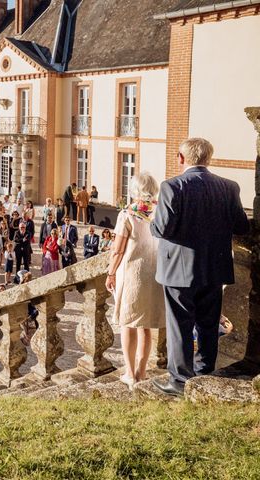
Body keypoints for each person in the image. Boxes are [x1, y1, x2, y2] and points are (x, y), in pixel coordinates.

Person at [149, 138, 249, 397]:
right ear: (209, 158)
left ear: (181, 158)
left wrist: (152, 217)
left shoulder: (172, 187)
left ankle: (180, 380)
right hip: (214, 268)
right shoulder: (229, 187)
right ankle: (204, 373)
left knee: (180, 323)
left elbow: (161, 229)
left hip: (178, 270)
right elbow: (241, 227)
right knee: (208, 322)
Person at [105, 173, 167, 389]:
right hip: (155, 273)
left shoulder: (128, 214)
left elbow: (118, 249)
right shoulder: (160, 211)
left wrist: (111, 272)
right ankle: (141, 373)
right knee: (146, 327)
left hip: (133, 273)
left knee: (128, 324)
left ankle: (130, 373)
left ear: (134, 190)